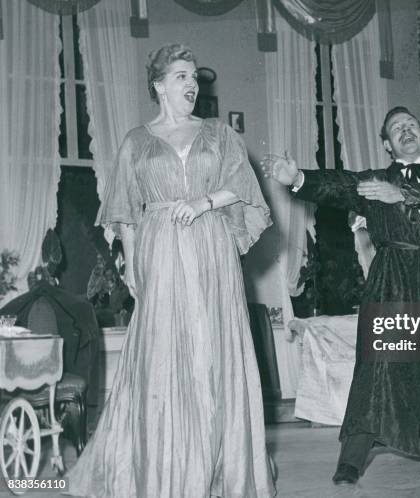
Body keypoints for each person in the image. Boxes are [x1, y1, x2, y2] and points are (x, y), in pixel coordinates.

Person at [262, 107, 420, 485]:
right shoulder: (374, 180)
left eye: (411, 125)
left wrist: (401, 193)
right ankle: (352, 457)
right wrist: (297, 178)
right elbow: (338, 184)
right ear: (386, 143)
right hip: (395, 276)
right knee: (378, 364)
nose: (406, 131)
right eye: (397, 129)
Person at [66, 44, 276, 498]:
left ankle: (220, 469)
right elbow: (124, 213)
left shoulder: (220, 135)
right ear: (159, 85)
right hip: (159, 249)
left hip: (211, 247)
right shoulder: (135, 142)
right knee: (166, 358)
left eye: (194, 77)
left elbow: (242, 186)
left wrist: (204, 202)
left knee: (213, 351)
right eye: (181, 76)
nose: (191, 84)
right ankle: (168, 472)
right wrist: (133, 267)